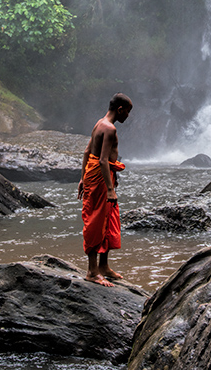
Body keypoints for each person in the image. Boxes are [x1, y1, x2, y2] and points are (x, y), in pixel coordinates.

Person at [77, 92, 133, 286]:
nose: (128, 115)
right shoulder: (109, 129)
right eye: (127, 111)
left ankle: (104, 266)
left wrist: (83, 178)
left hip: (95, 176)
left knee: (107, 219)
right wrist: (110, 189)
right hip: (101, 178)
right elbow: (102, 160)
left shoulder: (99, 123)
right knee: (95, 220)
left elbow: (86, 151)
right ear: (120, 109)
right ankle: (92, 272)